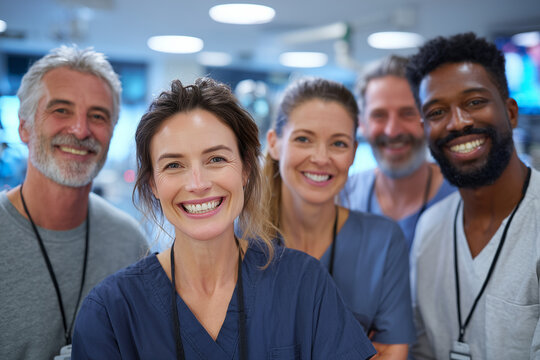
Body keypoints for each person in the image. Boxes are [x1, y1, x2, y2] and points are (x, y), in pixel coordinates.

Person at [71, 78, 376, 359]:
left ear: (245, 168)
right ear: (153, 183)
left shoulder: (303, 285)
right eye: (174, 165)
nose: (198, 183)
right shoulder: (111, 312)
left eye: (216, 159)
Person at [0, 46, 148, 360]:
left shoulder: (128, 241)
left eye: (98, 116)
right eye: (61, 110)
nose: (81, 130)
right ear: (24, 127)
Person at [406, 32, 540, 359]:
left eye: (474, 102)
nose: (458, 122)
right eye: (437, 112)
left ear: (510, 112)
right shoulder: (430, 228)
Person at [264, 77, 414, 359]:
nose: (321, 158)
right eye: (304, 139)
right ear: (274, 143)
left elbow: (392, 353)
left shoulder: (382, 242)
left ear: (354, 153)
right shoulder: (240, 239)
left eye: (338, 143)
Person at [340, 55, 455, 249]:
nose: (392, 131)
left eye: (407, 113)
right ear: (362, 124)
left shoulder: (462, 199)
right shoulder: (343, 198)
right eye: (379, 115)